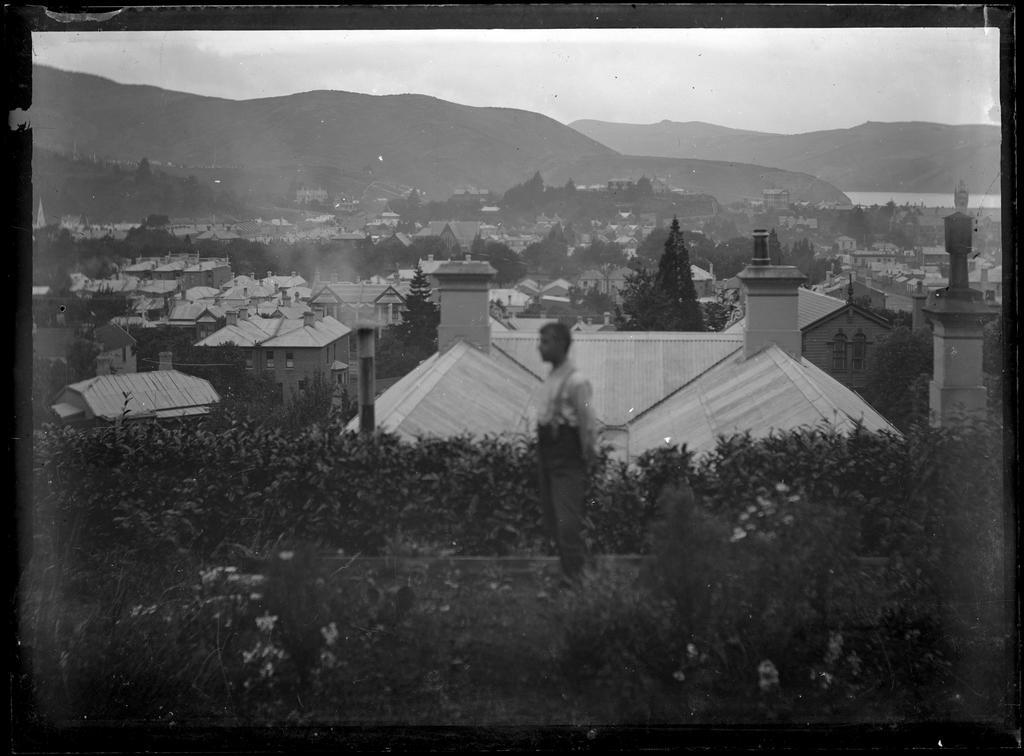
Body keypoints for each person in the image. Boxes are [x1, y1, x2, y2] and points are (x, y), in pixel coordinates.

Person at [536, 322, 598, 583]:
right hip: (547, 457)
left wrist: (588, 456)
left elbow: (587, 422)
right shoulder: (552, 376)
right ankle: (570, 577)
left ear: (561, 344)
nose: (540, 346)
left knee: (567, 524)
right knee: (552, 521)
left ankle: (581, 582)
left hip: (567, 459)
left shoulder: (576, 381)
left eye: (545, 341)